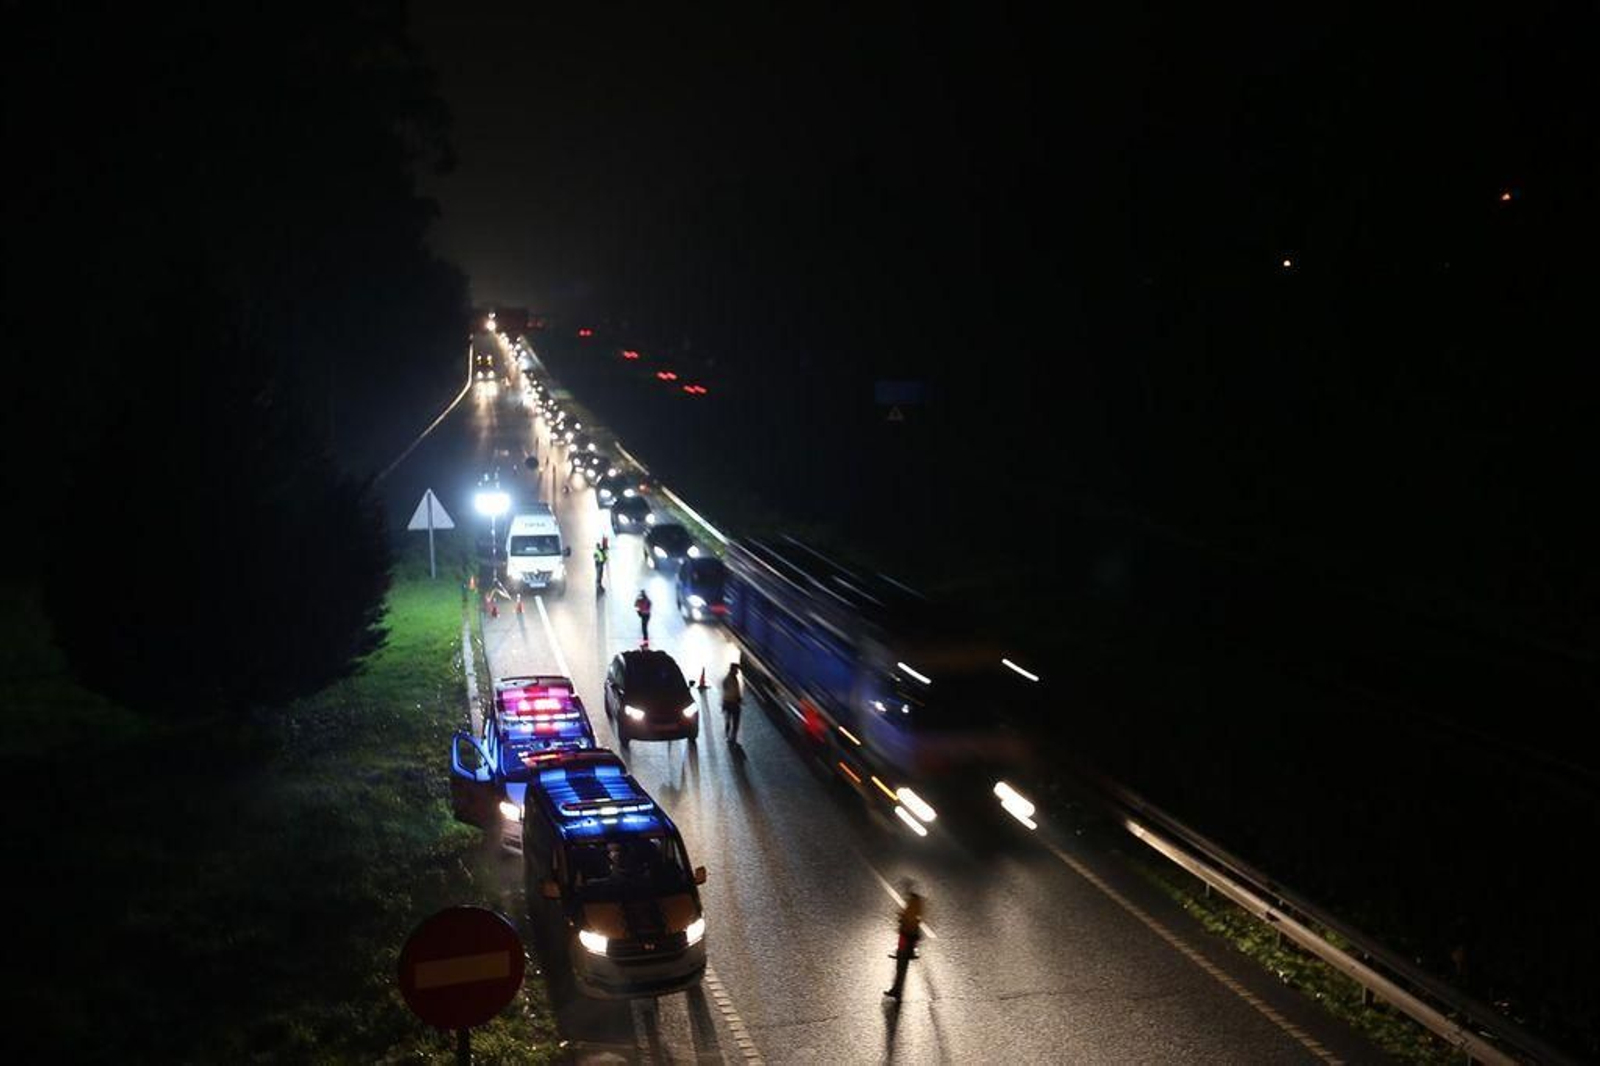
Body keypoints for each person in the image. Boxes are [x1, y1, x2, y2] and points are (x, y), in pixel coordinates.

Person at [884, 882, 925, 999]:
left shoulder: (914, 902)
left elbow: (910, 920)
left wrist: (901, 919)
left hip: (906, 938)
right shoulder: (915, 901)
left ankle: (897, 991)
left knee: (901, 967)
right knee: (901, 967)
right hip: (907, 938)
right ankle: (897, 990)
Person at [721, 663, 743, 742]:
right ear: (732, 670)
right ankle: (731, 737)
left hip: (729, 702)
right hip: (731, 703)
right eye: (736, 670)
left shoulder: (733, 678)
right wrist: (738, 698)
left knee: (729, 720)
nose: (737, 671)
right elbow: (730, 692)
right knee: (733, 721)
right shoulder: (729, 679)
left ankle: (730, 736)